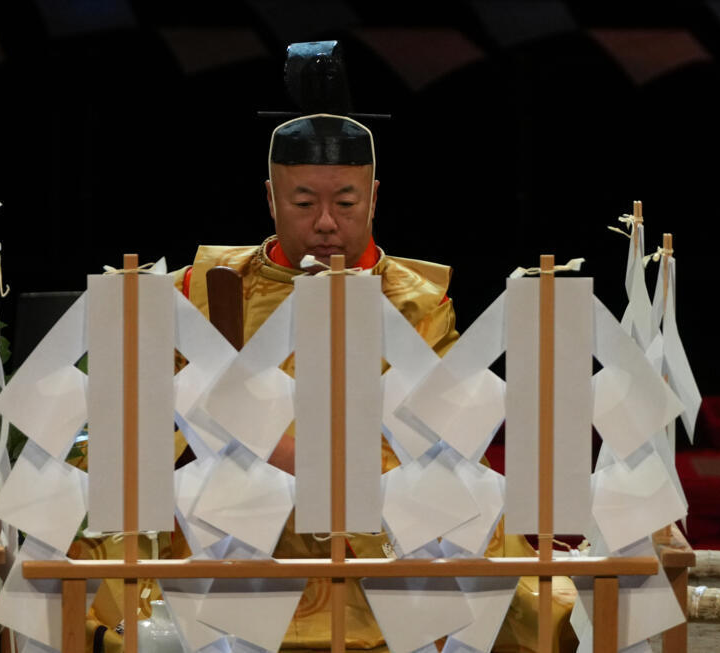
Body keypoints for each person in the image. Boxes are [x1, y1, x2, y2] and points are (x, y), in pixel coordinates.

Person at [73, 42, 577, 653]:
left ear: (374, 197)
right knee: (95, 501)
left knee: (478, 536)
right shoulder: (207, 288)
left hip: (374, 526)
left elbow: (440, 438)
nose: (326, 223)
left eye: (345, 202)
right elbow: (159, 419)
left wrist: (313, 463)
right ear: (269, 198)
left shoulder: (415, 302)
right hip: (236, 516)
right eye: (304, 203)